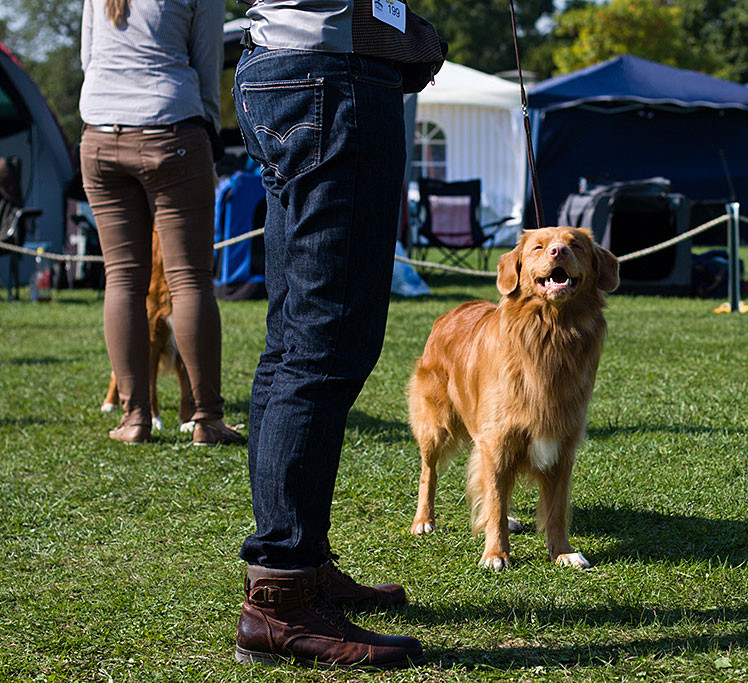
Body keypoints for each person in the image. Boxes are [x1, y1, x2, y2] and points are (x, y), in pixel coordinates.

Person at [231, 0, 444, 671]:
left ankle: (300, 564)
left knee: (294, 340)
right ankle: (283, 594)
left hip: (277, 64)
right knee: (323, 346)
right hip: (332, 70)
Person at [79, 0, 243, 445]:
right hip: (172, 129)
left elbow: (88, 57)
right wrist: (207, 135)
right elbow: (207, 67)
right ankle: (206, 419)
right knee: (190, 280)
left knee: (122, 280)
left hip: (99, 132)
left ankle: (135, 420)